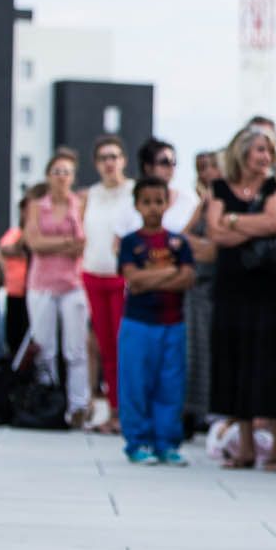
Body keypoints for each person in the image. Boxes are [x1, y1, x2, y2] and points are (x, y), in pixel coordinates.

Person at [207, 126, 276, 467]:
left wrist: (232, 220)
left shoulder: (275, 186)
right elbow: (215, 232)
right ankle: (244, 447)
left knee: (271, 362)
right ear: (242, 152)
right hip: (230, 287)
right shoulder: (219, 187)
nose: (264, 156)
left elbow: (274, 223)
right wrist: (247, 225)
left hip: (265, 287)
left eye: (268, 150)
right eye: (259, 149)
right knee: (235, 361)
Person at [117, 177, 196, 464]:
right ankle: (138, 442)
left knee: (171, 386)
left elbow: (187, 278)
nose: (153, 207)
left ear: (167, 203)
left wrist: (150, 278)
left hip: (173, 324)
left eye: (159, 201)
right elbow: (133, 279)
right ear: (137, 205)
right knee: (135, 384)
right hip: (138, 324)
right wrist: (169, 272)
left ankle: (167, 443)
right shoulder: (130, 242)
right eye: (147, 202)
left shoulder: (179, 242)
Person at [24, 150, 91, 425]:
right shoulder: (37, 206)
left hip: (73, 283)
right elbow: (34, 242)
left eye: (67, 172)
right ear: (48, 176)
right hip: (41, 284)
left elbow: (83, 243)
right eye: (57, 171)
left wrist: (54, 243)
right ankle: (46, 400)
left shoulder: (80, 204)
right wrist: (65, 243)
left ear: (73, 176)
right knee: (45, 348)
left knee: (75, 349)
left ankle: (78, 405)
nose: (61, 177)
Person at [80, 135, 140, 433]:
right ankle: (114, 410)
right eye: (103, 157)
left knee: (125, 346)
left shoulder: (133, 192)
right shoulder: (89, 195)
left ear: (123, 160)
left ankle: (130, 411)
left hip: (121, 278)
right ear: (96, 163)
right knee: (104, 346)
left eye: (114, 156)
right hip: (93, 274)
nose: (109, 162)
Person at [182, 151, 222, 431]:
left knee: (212, 349)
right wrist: (202, 246)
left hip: (216, 285)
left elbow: (215, 249)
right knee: (193, 349)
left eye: (212, 166)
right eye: (202, 168)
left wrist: (203, 247)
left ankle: (213, 410)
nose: (206, 172)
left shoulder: (226, 200)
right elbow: (183, 238)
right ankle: (194, 410)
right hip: (196, 284)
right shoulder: (205, 201)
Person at [137, 138, 201, 233]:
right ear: (148, 166)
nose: (171, 167)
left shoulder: (189, 199)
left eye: (173, 163)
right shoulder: (129, 199)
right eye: (165, 162)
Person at [0, 190, 33, 357]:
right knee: (14, 337)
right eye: (25, 210)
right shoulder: (15, 232)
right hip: (15, 292)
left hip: (34, 293)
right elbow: (5, 250)